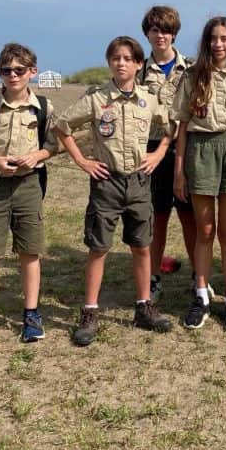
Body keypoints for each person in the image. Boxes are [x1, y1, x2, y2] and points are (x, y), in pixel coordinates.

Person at [54, 36, 174, 346]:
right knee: (98, 247)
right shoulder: (96, 99)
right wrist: (82, 160)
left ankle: (144, 306)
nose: (120, 63)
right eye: (115, 58)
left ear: (138, 64)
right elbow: (62, 125)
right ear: (109, 63)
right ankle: (90, 311)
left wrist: (159, 153)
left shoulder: (148, 99)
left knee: (143, 246)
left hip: (138, 182)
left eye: (127, 58)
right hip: (106, 183)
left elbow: (172, 126)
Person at [0, 43, 58, 344]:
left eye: (19, 70)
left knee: (30, 251)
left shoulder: (44, 107)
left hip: (29, 184)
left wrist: (36, 156)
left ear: (32, 72)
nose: (13, 76)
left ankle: (31, 314)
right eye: (6, 70)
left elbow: (54, 144)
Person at [173, 16, 226, 331]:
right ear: (206, 41)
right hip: (201, 150)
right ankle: (201, 296)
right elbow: (182, 126)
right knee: (205, 230)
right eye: (213, 38)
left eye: (225, 38)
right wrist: (179, 171)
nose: (219, 44)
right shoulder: (193, 76)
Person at [137, 6, 196, 301]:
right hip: (151, 151)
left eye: (167, 30)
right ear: (147, 32)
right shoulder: (138, 71)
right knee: (156, 217)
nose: (161, 36)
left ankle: (200, 278)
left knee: (190, 216)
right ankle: (153, 277)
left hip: (185, 150)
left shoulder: (194, 68)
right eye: (155, 30)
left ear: (175, 33)